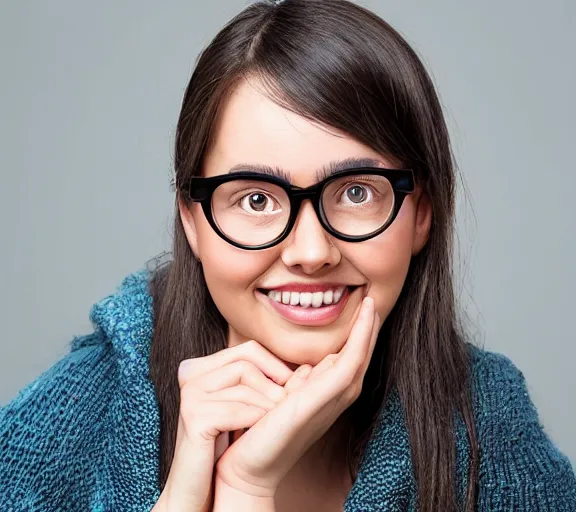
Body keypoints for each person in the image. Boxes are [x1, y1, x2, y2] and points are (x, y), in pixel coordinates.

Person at [1, 0, 575, 510]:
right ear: (193, 220)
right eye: (256, 199)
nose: (309, 252)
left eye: (356, 193)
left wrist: (248, 486)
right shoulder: (69, 424)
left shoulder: (488, 430)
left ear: (421, 213)